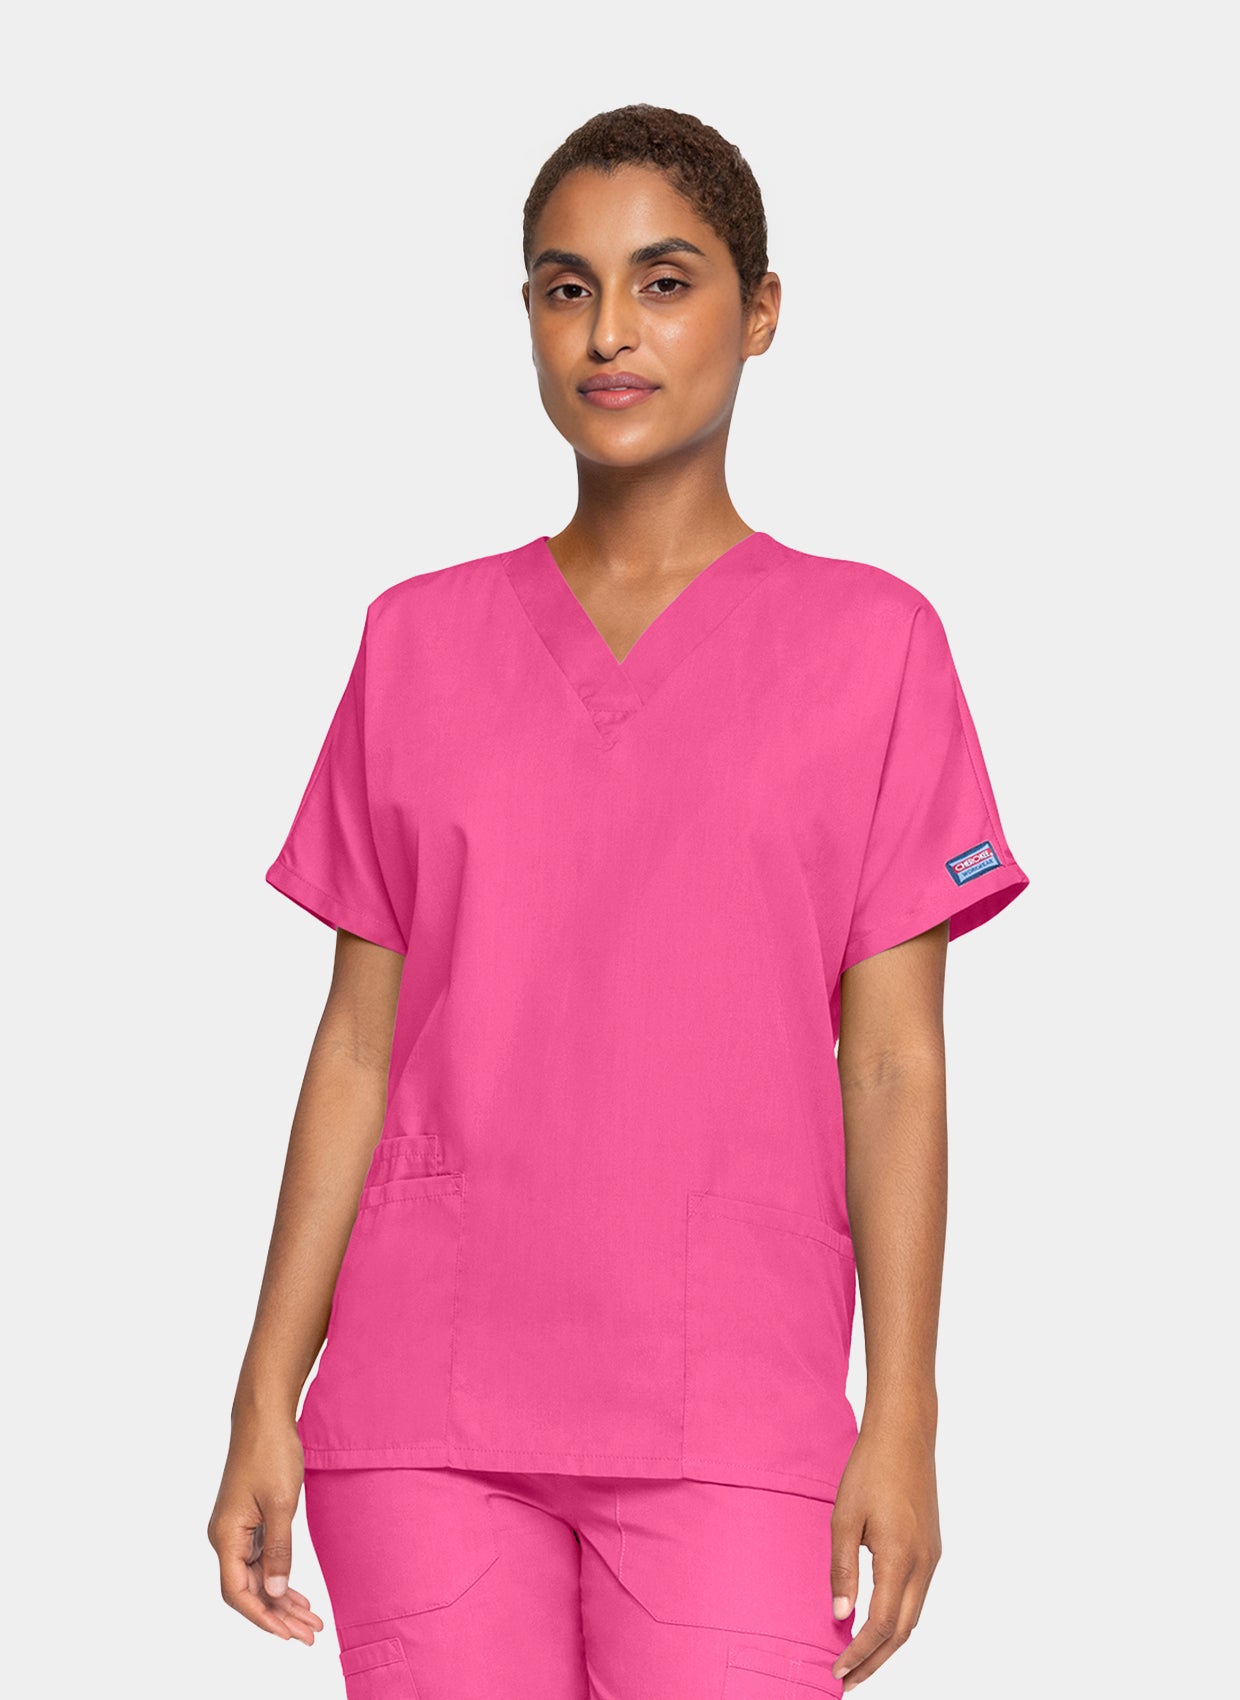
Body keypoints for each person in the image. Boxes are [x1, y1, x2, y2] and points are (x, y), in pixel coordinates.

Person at [208, 103, 1030, 1698]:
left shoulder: (875, 648)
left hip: (734, 1402)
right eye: (564, 287)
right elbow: (358, 1048)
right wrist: (263, 1388)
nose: (609, 334)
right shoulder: (416, 641)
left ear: (760, 311)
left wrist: (907, 1414)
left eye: (664, 282)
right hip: (424, 1406)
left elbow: (893, 1064)